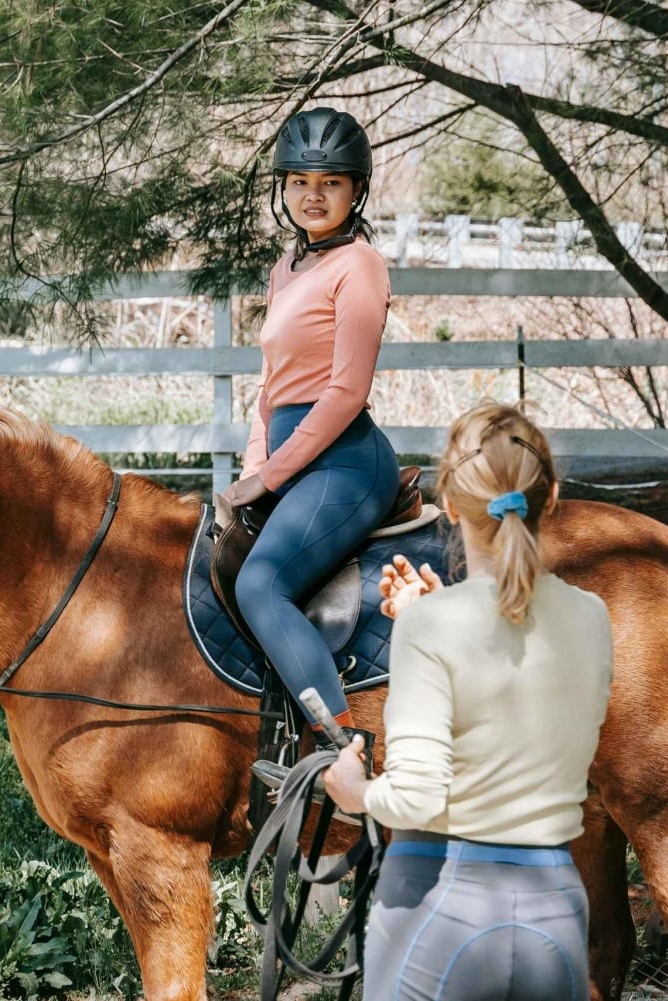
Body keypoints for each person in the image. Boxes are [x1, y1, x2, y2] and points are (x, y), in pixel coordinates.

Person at [323, 403, 614, 1001]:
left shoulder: (433, 626)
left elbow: (417, 796)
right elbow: (513, 673)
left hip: (439, 903)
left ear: (449, 505)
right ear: (551, 495)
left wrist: (352, 789)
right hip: (554, 907)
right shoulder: (592, 617)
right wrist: (431, 616)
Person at [223, 107, 398, 740]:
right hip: (290, 455)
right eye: (299, 181)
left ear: (356, 190)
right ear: (283, 189)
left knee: (262, 585)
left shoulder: (361, 266)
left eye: (330, 182)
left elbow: (347, 391)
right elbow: (271, 387)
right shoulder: (285, 269)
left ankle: (341, 749)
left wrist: (270, 475)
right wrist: (251, 471)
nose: (313, 195)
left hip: (344, 462)